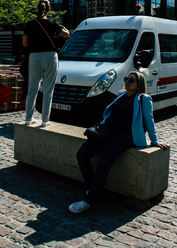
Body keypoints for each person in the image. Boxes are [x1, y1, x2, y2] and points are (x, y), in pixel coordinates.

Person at [69, 71, 169, 214]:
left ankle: (89, 200)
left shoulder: (143, 98)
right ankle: (90, 189)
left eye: (131, 80)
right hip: (107, 132)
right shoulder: (121, 95)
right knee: (82, 155)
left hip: (125, 136)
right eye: (126, 79)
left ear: (139, 84)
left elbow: (149, 120)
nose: (127, 81)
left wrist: (155, 141)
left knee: (103, 164)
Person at [22, 0, 70, 127]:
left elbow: (25, 43)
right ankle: (45, 120)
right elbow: (66, 35)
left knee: (32, 89)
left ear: (37, 9)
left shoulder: (30, 24)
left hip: (35, 57)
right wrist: (63, 27)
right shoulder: (51, 24)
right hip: (50, 57)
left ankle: (28, 118)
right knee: (48, 90)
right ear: (48, 10)